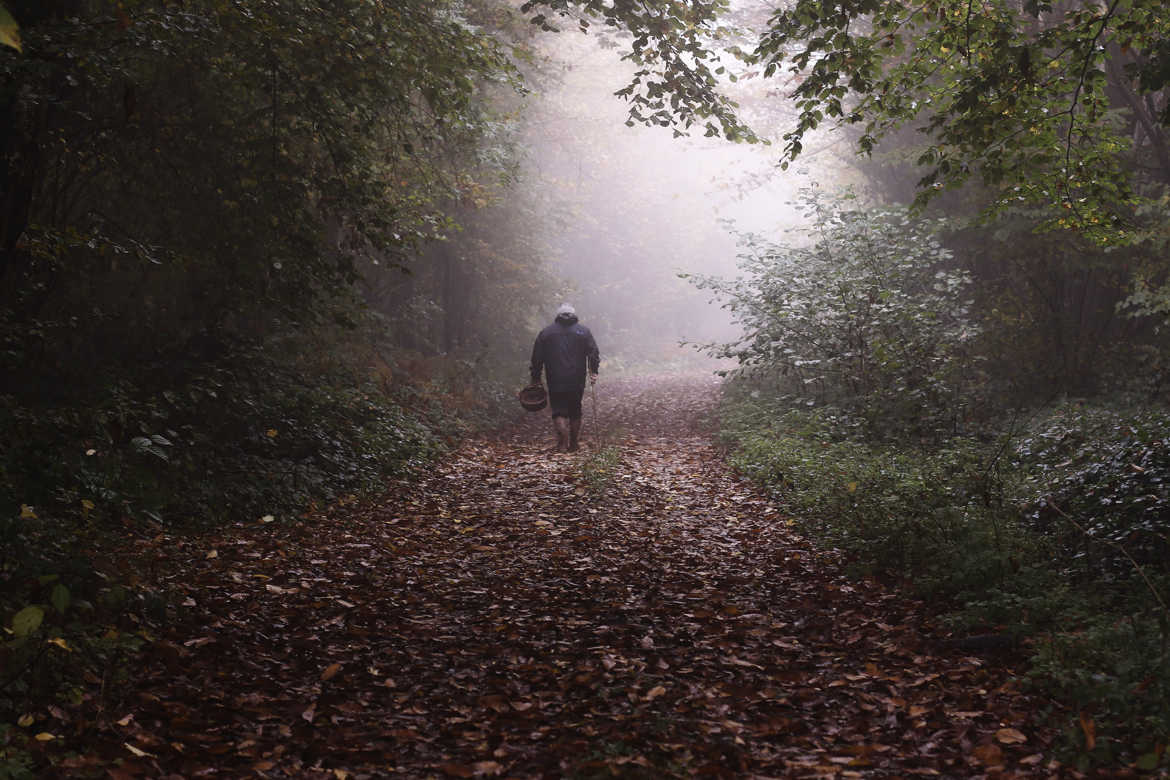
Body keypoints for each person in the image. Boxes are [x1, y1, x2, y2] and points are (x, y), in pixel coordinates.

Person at [530, 303, 600, 453]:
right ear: (574, 315)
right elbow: (593, 353)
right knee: (575, 410)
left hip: (555, 378)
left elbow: (537, 357)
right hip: (576, 378)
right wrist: (594, 371)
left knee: (558, 410)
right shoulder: (583, 331)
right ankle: (574, 444)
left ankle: (562, 443)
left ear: (558, 316)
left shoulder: (546, 333)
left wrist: (535, 377)